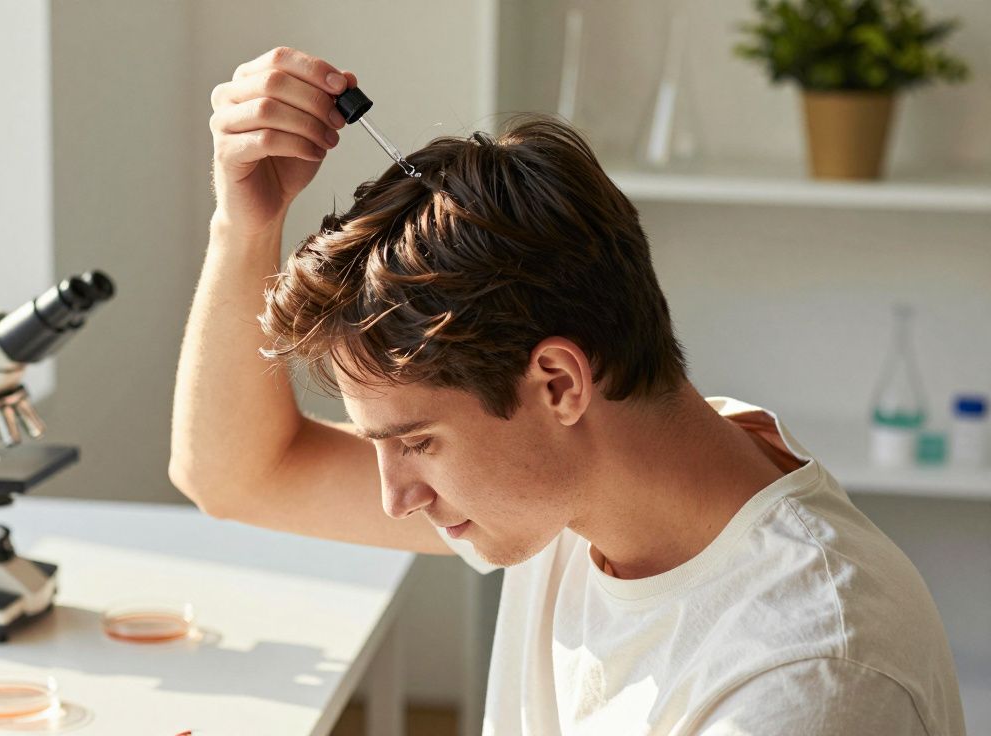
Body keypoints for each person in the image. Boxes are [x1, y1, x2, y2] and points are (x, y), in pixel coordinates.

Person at [170, 46, 964, 735]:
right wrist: (244, 226)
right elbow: (241, 475)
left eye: (416, 441)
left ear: (558, 383)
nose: (397, 498)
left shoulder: (810, 677)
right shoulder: (581, 489)